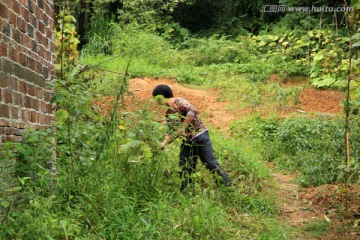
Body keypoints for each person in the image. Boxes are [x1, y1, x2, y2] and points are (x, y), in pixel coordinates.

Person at [152, 84, 232, 191]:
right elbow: (170, 131)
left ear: (161, 96)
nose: (157, 103)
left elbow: (193, 110)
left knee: (209, 162)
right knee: (184, 164)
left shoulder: (178, 101)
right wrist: (164, 143)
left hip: (199, 134)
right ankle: (187, 190)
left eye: (157, 99)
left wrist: (183, 127)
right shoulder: (168, 114)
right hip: (187, 140)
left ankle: (227, 187)